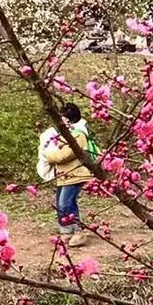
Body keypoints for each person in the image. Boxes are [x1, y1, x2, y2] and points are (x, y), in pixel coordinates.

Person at [39, 103, 95, 247]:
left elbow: (63, 156)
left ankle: (78, 231)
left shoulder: (78, 134)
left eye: (62, 117)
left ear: (69, 119)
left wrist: (47, 154)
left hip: (76, 174)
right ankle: (66, 231)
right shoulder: (67, 134)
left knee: (66, 202)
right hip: (65, 175)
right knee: (61, 203)